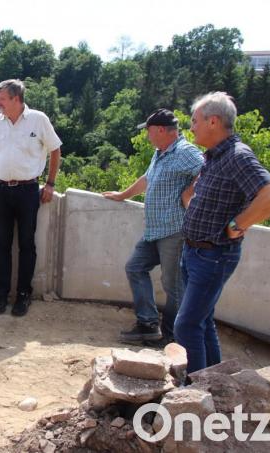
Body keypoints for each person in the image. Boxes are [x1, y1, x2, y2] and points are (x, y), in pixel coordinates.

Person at [176, 92, 270, 374]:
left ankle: (194, 390)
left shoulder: (237, 156)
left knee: (186, 325)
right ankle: (217, 382)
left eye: (195, 121)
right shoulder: (215, 156)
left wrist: (237, 225)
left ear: (213, 121)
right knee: (203, 321)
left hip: (213, 255)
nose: (191, 127)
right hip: (196, 251)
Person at [103, 109, 204, 346]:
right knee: (135, 267)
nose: (147, 136)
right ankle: (148, 325)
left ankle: (171, 335)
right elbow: (147, 178)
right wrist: (123, 194)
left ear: (160, 130)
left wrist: (190, 192)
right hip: (155, 230)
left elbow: (208, 169)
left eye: (149, 131)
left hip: (175, 229)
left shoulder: (185, 152)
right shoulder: (161, 152)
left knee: (173, 285)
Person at [0, 79, 62, 316]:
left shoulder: (38, 119)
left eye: (2, 99)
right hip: (1, 189)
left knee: (26, 244)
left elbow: (55, 150)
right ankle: (1, 294)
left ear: (16, 98)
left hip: (28, 191)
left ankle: (23, 295)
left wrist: (50, 183)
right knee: (1, 244)